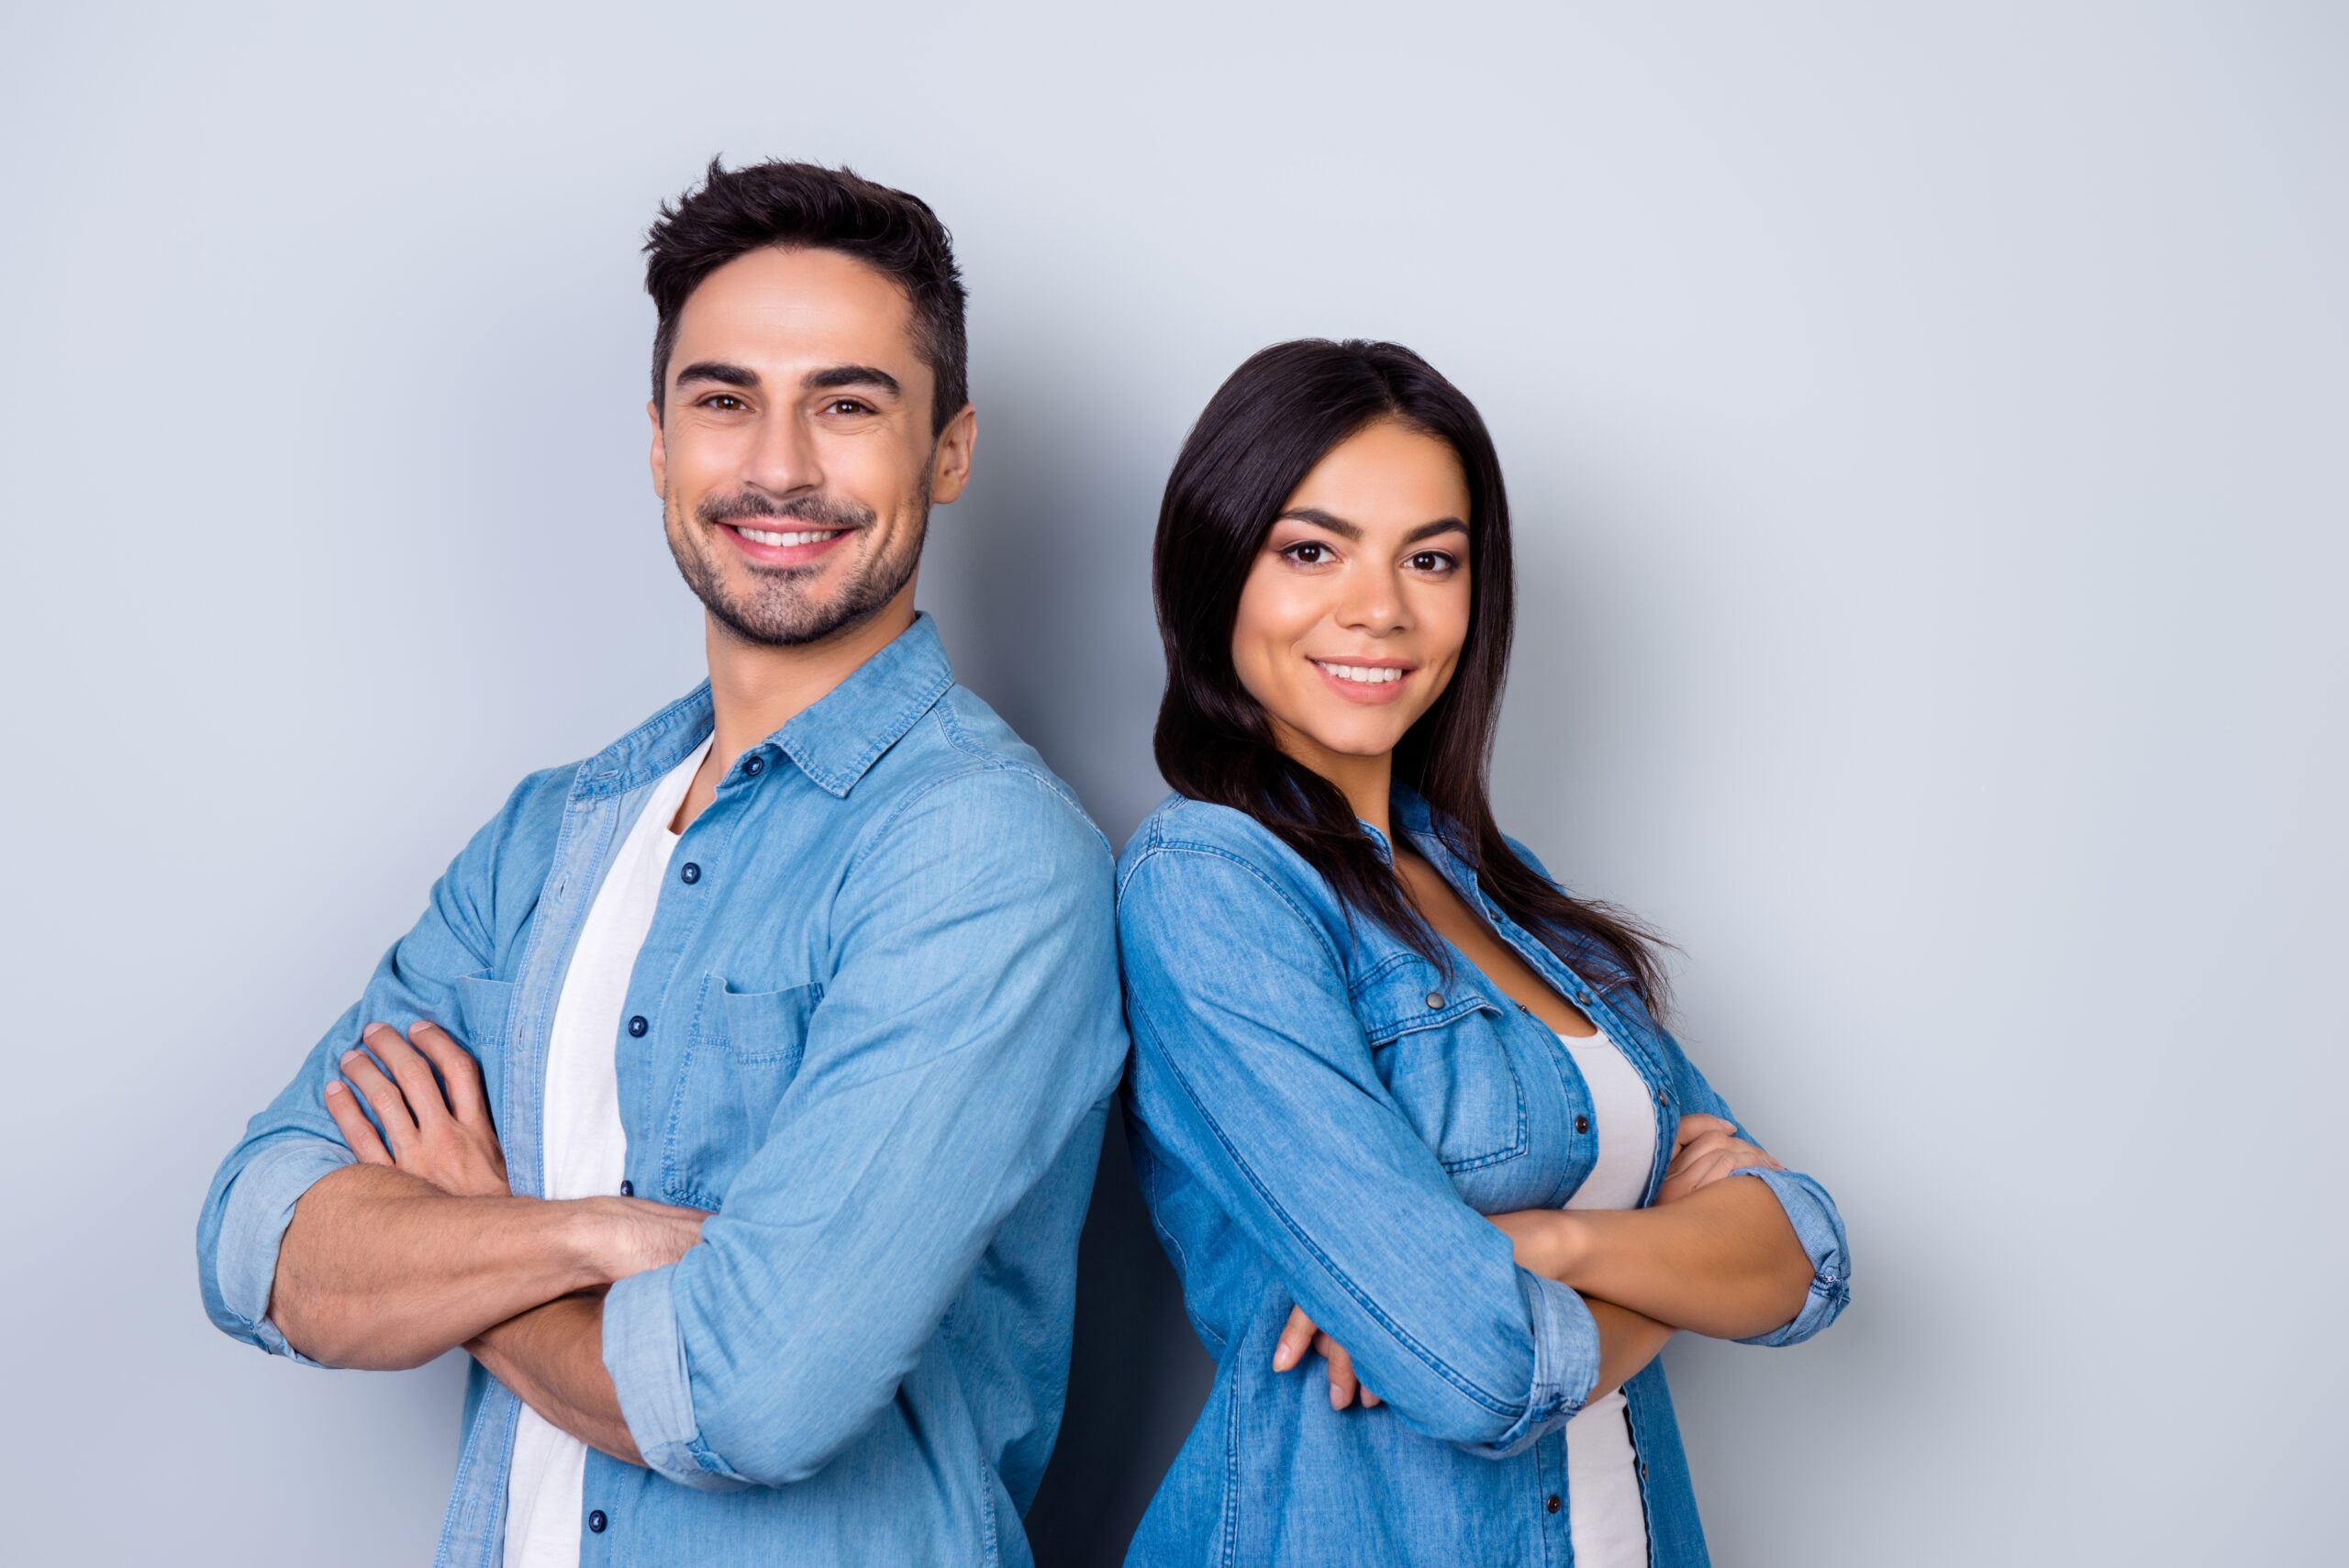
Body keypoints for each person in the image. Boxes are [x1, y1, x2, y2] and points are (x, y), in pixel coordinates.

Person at [195, 159, 1128, 1568]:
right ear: (658, 442)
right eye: (724, 398)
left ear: (949, 448)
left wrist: (467, 1240)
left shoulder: (987, 856)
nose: (778, 466)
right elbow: (258, 1236)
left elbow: (753, 1392)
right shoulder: (552, 834)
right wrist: (583, 1238)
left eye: (848, 403)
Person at [1115, 339, 1852, 1566]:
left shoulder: (1515, 900)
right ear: (1217, 573)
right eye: (1312, 548)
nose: (1380, 607)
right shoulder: (1207, 884)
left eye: (1432, 558)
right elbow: (1477, 1366)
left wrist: (1546, 1245)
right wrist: (1670, 1251)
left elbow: (1803, 1256)